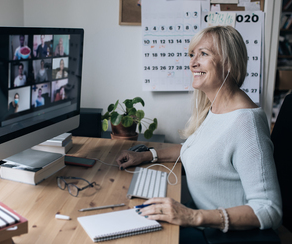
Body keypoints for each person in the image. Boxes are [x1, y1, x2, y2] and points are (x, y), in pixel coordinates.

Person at [115, 26, 282, 234]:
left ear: (229, 62)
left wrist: (193, 216)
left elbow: (269, 209)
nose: (193, 63)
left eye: (203, 54)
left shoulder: (246, 123)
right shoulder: (216, 108)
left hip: (222, 234)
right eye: (192, 55)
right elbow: (198, 149)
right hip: (203, 223)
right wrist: (148, 156)